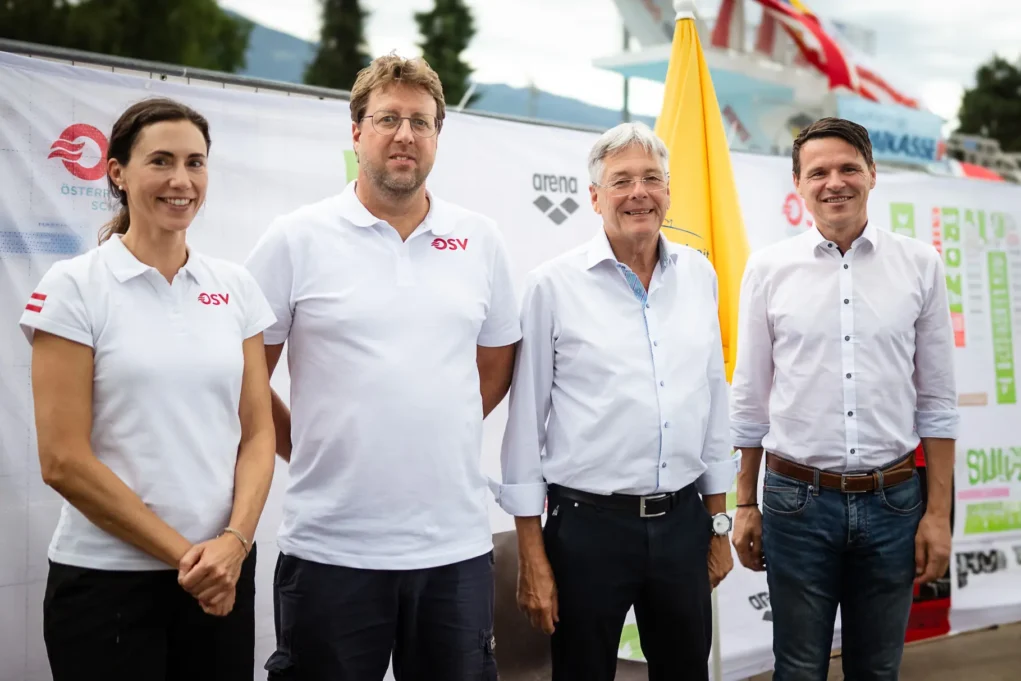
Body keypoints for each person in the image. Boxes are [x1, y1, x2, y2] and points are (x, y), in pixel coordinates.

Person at [245, 53, 521, 681]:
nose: (405, 135)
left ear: (437, 136)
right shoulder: (296, 237)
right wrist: (306, 445)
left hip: (453, 549)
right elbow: (244, 379)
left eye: (421, 122)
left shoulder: (480, 239)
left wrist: (430, 422)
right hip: (331, 548)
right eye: (388, 119)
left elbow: (496, 364)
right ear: (356, 132)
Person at [20, 97, 278, 681]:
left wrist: (235, 543)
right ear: (117, 172)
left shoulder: (235, 287)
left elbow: (258, 434)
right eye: (161, 161)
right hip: (108, 586)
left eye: (195, 162)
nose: (181, 180)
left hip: (222, 576)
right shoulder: (74, 287)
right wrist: (192, 560)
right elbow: (62, 460)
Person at [493, 121, 738, 681]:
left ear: (669, 190)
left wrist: (718, 525)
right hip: (587, 529)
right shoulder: (552, 286)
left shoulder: (699, 275)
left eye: (652, 178)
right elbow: (525, 424)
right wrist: (532, 551)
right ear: (594, 196)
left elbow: (712, 406)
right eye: (621, 180)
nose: (638, 193)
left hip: (683, 522)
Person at [729, 117, 958, 680]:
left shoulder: (920, 265)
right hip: (795, 503)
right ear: (798, 183)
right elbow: (750, 399)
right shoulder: (768, 269)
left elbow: (937, 402)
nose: (835, 182)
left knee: (877, 670)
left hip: (895, 503)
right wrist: (745, 502)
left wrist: (936, 514)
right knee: (798, 669)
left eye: (848, 168)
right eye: (819, 172)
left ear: (872, 174)